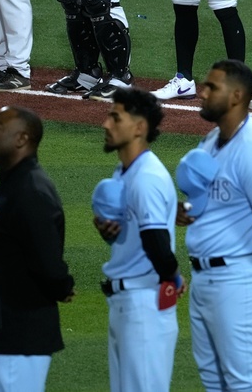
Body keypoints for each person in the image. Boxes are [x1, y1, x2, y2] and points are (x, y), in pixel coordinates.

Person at [180, 59, 252, 391]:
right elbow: (220, 203)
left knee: (246, 382)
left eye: (212, 87)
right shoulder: (213, 140)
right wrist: (186, 210)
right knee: (214, 381)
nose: (202, 92)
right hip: (206, 279)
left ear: (236, 96)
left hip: (240, 281)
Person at [0, 106, 75, 392]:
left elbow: (47, 263)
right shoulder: (18, 184)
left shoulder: (30, 191)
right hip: (10, 332)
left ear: (21, 139)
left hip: (19, 334)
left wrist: (63, 285)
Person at [95, 88, 181, 392]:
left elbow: (157, 245)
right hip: (127, 302)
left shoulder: (147, 178)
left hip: (144, 305)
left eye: (115, 117)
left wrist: (174, 278)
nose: (106, 124)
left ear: (140, 127)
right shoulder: (124, 172)